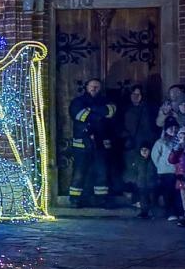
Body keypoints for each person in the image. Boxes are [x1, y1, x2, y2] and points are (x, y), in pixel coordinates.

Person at [67, 78, 117, 208]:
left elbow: (111, 111)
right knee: (79, 172)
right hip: (82, 144)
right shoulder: (78, 101)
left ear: (100, 88)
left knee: (102, 172)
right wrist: (100, 114)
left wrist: (90, 109)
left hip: (101, 144)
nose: (94, 88)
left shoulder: (106, 101)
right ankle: (75, 199)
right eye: (92, 86)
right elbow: (79, 115)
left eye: (97, 86)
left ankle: (101, 199)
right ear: (86, 87)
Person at [121, 84, 157, 217]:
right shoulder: (125, 109)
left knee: (145, 173)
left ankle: (145, 205)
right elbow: (119, 126)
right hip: (131, 146)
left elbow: (151, 127)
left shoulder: (148, 109)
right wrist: (125, 137)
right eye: (134, 94)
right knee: (132, 173)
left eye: (139, 94)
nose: (136, 97)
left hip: (144, 145)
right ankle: (135, 199)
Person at [150, 119, 180, 219]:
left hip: (178, 171)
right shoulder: (161, 142)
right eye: (171, 128)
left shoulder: (180, 140)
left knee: (177, 192)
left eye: (175, 127)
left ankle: (178, 211)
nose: (174, 130)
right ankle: (170, 213)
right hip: (165, 171)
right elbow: (155, 156)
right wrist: (161, 165)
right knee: (168, 192)